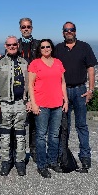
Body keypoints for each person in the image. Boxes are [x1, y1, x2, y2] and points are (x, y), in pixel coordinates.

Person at [55, 21, 98, 173]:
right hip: (63, 92)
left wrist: (91, 90)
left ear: (75, 31)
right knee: (63, 127)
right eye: (66, 30)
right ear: (63, 33)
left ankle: (85, 158)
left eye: (71, 29)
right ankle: (63, 158)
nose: (69, 32)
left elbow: (91, 69)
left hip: (80, 90)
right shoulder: (58, 48)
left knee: (81, 125)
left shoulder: (84, 47)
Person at [0, 36, 30, 176]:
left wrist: (29, 100)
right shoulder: (0, 62)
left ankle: (20, 162)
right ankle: (5, 162)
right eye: (9, 44)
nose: (12, 46)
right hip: (4, 104)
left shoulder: (25, 62)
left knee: (20, 136)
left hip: (21, 103)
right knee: (5, 136)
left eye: (14, 44)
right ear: (5, 45)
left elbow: (30, 85)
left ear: (18, 45)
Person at [28, 39, 68, 178]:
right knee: (40, 136)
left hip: (57, 104)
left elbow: (63, 83)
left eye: (48, 46)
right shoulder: (35, 64)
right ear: (40, 49)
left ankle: (52, 161)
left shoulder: (58, 62)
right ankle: (42, 165)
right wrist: (33, 103)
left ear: (51, 48)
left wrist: (66, 100)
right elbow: (30, 86)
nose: (46, 48)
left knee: (54, 135)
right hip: (42, 105)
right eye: (43, 47)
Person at [17, 17, 40, 163]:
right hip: (20, 88)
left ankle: (34, 150)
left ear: (32, 28)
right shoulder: (15, 44)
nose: (26, 29)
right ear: (20, 29)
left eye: (28, 27)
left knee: (35, 122)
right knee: (20, 122)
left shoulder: (38, 44)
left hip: (37, 87)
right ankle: (19, 152)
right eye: (23, 27)